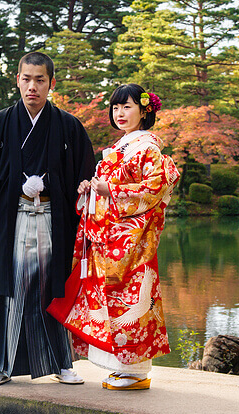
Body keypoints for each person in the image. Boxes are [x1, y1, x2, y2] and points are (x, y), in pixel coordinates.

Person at [0, 51, 95, 386]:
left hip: (54, 217)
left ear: (52, 82)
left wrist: (86, 205)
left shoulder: (68, 126)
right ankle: (0, 365)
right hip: (12, 217)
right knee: (8, 288)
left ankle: (61, 363)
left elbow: (85, 176)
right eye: (26, 79)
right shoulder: (0, 122)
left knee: (53, 287)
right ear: (17, 80)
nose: (32, 86)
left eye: (40, 80)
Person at [57, 84, 180, 390]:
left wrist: (110, 190)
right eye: (115, 108)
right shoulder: (122, 146)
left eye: (127, 107)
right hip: (108, 239)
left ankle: (136, 371)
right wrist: (90, 191)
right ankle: (120, 368)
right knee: (111, 301)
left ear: (143, 111)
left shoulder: (147, 147)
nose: (120, 114)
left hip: (132, 243)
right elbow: (104, 188)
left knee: (131, 302)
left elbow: (155, 188)